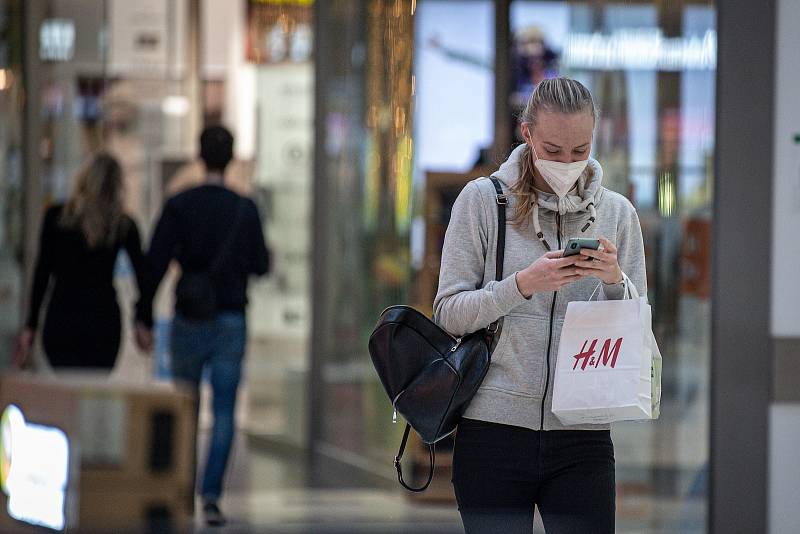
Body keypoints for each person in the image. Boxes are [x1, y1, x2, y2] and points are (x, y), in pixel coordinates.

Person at [433, 78, 647, 534]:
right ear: (527, 133)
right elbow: (448, 313)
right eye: (553, 149)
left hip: (583, 434)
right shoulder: (482, 203)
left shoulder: (618, 214)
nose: (567, 162)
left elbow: (638, 329)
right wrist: (521, 285)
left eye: (579, 149)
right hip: (492, 428)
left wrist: (614, 280)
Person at [137, 125, 270, 527]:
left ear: (199, 156)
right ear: (230, 159)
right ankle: (210, 495)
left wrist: (142, 314)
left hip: (188, 319)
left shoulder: (180, 205)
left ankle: (180, 491)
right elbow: (261, 264)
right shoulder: (245, 209)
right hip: (230, 318)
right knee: (225, 411)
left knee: (185, 407)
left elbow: (154, 263)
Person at [15, 153, 151, 370]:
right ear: (118, 186)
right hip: (103, 321)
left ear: (84, 179)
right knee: (92, 393)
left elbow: (42, 272)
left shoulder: (56, 217)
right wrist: (143, 320)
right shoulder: (123, 225)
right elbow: (144, 277)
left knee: (66, 388)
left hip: (62, 317)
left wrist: (30, 325)